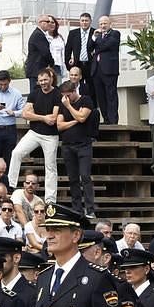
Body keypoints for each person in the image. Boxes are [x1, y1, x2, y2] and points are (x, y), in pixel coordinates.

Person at [9, 68, 62, 204]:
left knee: (50, 166)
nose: (43, 82)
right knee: (16, 153)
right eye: (40, 80)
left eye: (45, 79)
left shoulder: (57, 93)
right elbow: (25, 114)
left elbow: (54, 118)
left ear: (50, 78)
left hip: (51, 136)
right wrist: (43, 118)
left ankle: (50, 200)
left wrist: (35, 116)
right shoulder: (34, 93)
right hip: (34, 133)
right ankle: (11, 185)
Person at [58, 69, 97, 218]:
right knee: (73, 178)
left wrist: (69, 108)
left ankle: (90, 208)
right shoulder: (62, 104)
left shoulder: (86, 100)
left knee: (85, 176)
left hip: (83, 145)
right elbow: (60, 125)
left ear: (74, 91)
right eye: (64, 97)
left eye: (68, 96)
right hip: (68, 145)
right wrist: (75, 119)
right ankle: (76, 209)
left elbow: (83, 118)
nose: (66, 99)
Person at [91, 15, 121, 125]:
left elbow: (107, 45)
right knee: (101, 96)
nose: (103, 26)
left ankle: (113, 121)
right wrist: (94, 37)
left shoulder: (115, 34)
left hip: (109, 70)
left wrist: (96, 48)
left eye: (105, 23)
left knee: (111, 95)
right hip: (96, 69)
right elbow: (89, 47)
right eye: (101, 24)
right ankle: (106, 119)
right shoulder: (97, 35)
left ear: (110, 24)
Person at [63, 12, 95, 90]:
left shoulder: (95, 32)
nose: (84, 23)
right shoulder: (73, 33)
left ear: (90, 21)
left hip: (91, 65)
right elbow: (68, 50)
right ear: (79, 21)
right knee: (76, 88)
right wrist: (69, 66)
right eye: (82, 20)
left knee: (92, 88)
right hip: (77, 65)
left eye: (86, 21)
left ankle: (91, 102)